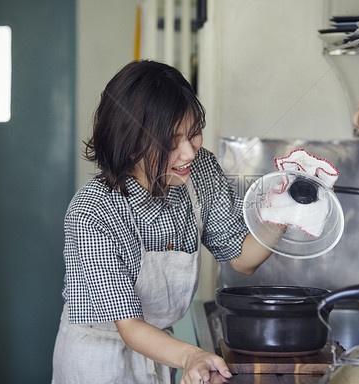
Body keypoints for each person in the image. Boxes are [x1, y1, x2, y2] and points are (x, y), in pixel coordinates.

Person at [51, 60, 274, 384]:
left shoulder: (200, 170)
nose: (188, 153)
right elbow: (130, 327)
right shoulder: (92, 212)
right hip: (97, 359)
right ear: (130, 146)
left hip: (163, 349)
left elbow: (243, 260)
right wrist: (191, 356)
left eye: (194, 133)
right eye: (171, 143)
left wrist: (284, 214)